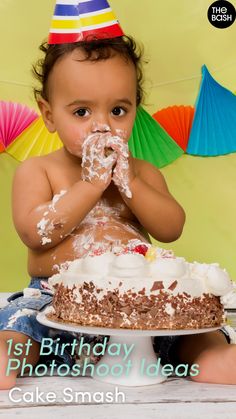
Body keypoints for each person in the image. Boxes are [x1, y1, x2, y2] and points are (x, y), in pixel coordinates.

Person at [0, 4, 235, 390]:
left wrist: (130, 185)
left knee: (191, 333)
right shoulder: (38, 170)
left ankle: (216, 358)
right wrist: (90, 186)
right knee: (20, 329)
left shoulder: (141, 172)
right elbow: (34, 232)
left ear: (135, 112)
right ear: (48, 114)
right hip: (53, 300)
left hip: (140, 310)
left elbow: (171, 228)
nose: (102, 125)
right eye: (80, 111)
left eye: (119, 109)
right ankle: (11, 357)